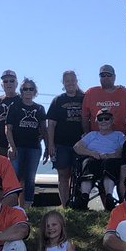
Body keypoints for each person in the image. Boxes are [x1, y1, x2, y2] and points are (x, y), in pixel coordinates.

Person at [5, 77, 47, 209]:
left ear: (34, 91)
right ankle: (12, 207)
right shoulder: (15, 107)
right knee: (14, 177)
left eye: (31, 89)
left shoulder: (39, 108)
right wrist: (11, 146)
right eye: (25, 89)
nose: (28, 91)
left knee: (30, 178)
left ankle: (27, 208)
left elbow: (44, 129)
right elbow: (8, 128)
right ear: (21, 91)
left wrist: (47, 147)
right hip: (18, 147)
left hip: (34, 148)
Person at [46, 70, 86, 207]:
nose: (70, 83)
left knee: (81, 175)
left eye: (72, 80)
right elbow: (50, 124)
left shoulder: (84, 98)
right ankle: (65, 205)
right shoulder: (58, 100)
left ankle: (80, 204)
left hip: (81, 144)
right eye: (67, 80)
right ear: (63, 83)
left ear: (76, 81)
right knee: (63, 175)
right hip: (61, 144)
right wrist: (50, 144)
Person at [72, 108, 126, 208]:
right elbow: (77, 147)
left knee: (108, 164)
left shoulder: (119, 135)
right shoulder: (91, 135)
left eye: (107, 118)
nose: (104, 121)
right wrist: (91, 153)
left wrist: (110, 155)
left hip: (111, 161)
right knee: (88, 163)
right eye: (100, 119)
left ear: (112, 120)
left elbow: (124, 150)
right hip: (93, 160)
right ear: (96, 121)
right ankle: (84, 197)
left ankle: (109, 197)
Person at [81, 64, 126, 133]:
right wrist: (86, 133)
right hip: (96, 138)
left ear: (114, 77)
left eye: (108, 75)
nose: (106, 77)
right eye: (103, 75)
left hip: (121, 137)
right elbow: (85, 117)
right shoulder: (91, 92)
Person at [0, 70, 21, 157]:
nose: (9, 83)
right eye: (5, 81)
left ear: (16, 83)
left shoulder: (23, 100)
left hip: (20, 145)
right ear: (2, 84)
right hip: (0, 144)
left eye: (12, 81)